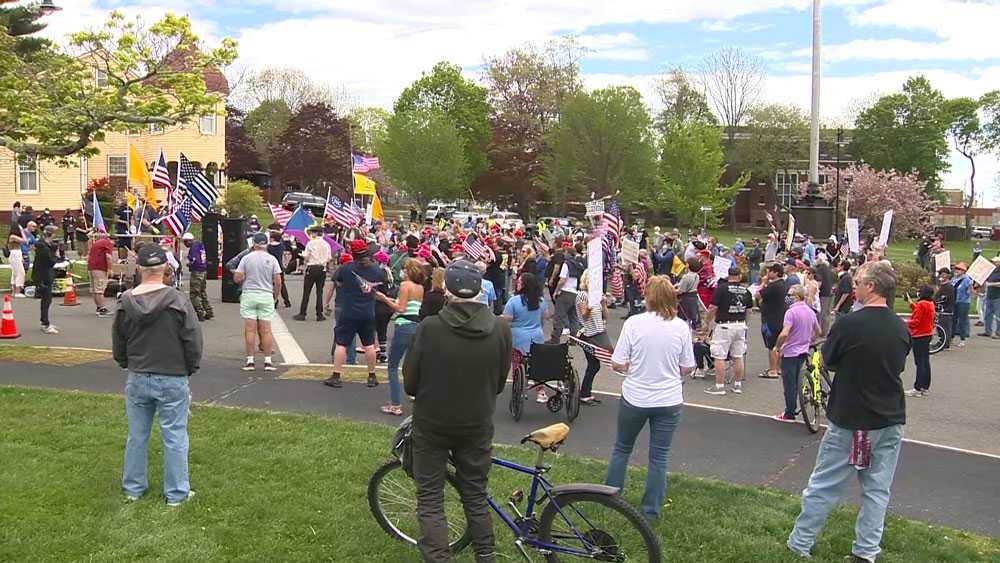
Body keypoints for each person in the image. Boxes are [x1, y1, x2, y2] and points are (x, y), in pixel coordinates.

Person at [787, 261, 909, 563]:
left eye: (858, 283)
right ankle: (866, 552)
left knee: (825, 484)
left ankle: (799, 544)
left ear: (871, 287)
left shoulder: (850, 324)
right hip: (890, 418)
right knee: (877, 489)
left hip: (853, 419)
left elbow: (827, 359)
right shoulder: (899, 326)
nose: (853, 288)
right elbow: (897, 364)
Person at [403, 259, 512, 563]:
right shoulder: (501, 328)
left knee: (430, 498)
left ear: (447, 289)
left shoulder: (430, 327)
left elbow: (411, 381)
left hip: (433, 422)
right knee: (475, 494)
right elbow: (500, 382)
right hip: (477, 421)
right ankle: (486, 556)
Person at [113, 244, 203, 506]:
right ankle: (176, 493)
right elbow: (193, 340)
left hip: (139, 373)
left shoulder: (125, 301)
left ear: (138, 268)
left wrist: (125, 362)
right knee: (175, 435)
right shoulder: (178, 300)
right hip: (172, 374)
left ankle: (133, 488)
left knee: (137, 434)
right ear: (165, 267)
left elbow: (119, 340)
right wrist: (190, 366)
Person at [606, 276, 694, 522]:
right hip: (668, 399)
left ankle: (610, 499)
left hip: (636, 396)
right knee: (659, 457)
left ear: (649, 298)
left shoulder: (634, 324)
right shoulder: (681, 327)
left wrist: (629, 366)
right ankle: (651, 511)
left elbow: (618, 362)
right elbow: (687, 366)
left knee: (622, 448)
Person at [324, 240, 383, 389]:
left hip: (349, 310)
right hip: (368, 311)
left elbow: (339, 282)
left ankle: (336, 375)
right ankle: (372, 375)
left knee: (342, 343)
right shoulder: (376, 270)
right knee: (369, 345)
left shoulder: (346, 269)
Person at [374, 259, 426, 416]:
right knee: (411, 364)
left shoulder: (405, 286)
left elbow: (401, 308)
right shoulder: (420, 288)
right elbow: (408, 305)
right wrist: (386, 298)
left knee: (392, 366)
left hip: (403, 326)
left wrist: (383, 300)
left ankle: (395, 404)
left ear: (408, 271)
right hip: (416, 326)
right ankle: (414, 393)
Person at [233, 233, 283, 372]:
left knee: (250, 330)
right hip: (266, 294)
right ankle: (267, 361)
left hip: (249, 293)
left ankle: (250, 361)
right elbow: (278, 281)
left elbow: (237, 278)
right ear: (266, 244)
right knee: (266, 330)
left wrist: (244, 277)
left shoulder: (246, 258)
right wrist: (275, 295)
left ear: (253, 243)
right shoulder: (272, 259)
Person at [771, 285, 821, 422]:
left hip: (790, 352)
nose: (787, 298)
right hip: (803, 351)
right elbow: (818, 331)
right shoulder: (810, 311)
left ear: (796, 297)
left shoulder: (790, 313)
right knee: (796, 379)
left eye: (789, 295)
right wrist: (808, 340)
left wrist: (777, 346)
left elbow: (785, 332)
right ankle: (795, 407)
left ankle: (789, 413)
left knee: (789, 385)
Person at [703, 267, 753, 396]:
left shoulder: (722, 289)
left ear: (728, 275)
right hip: (740, 324)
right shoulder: (746, 291)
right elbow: (749, 311)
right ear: (739, 276)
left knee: (719, 355)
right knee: (738, 355)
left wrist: (707, 322)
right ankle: (737, 385)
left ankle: (719, 386)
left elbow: (713, 307)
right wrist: (745, 323)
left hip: (725, 325)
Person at [501, 272, 549, 403]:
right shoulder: (540, 301)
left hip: (518, 338)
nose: (517, 283)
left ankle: (520, 389)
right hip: (537, 337)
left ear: (524, 285)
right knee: (537, 365)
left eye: (520, 282)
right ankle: (540, 391)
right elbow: (545, 316)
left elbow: (507, 318)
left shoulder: (514, 301)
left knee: (517, 364)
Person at [575, 271, 610, 405]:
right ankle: (584, 394)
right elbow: (584, 315)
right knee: (594, 364)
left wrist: (604, 304)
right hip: (587, 334)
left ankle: (586, 392)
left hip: (598, 333)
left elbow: (605, 317)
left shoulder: (596, 296)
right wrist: (590, 306)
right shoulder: (582, 295)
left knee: (595, 365)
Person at [757, 263, 788, 379]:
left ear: (775, 273)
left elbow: (758, 295)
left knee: (771, 346)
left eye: (769, 271)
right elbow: (788, 301)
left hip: (770, 319)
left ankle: (772, 370)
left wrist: (763, 283)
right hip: (782, 318)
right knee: (780, 345)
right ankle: (778, 368)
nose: (767, 274)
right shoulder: (785, 285)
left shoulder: (772, 286)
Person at [904, 286, 936, 398]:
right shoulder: (930, 303)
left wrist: (905, 322)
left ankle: (917, 387)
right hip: (927, 334)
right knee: (925, 361)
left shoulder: (922, 304)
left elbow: (916, 321)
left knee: (920, 363)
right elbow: (919, 312)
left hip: (919, 335)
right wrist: (910, 302)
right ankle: (925, 387)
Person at [294, 227, 331, 322]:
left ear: (315, 233)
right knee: (319, 292)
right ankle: (319, 314)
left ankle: (303, 313)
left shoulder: (311, 243)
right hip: (322, 268)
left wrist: (300, 253)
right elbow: (329, 257)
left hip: (312, 267)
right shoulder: (327, 244)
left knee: (307, 291)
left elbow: (306, 256)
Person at [549, 246, 582, 343]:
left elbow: (562, 280)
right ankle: (573, 339)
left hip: (566, 292)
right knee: (573, 318)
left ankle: (555, 339)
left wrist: (556, 291)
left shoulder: (566, 264)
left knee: (559, 316)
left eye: (565, 252)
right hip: (576, 292)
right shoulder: (578, 264)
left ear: (568, 253)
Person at [33, 226, 59, 334]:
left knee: (46, 300)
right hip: (44, 277)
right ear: (51, 235)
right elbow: (50, 261)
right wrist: (56, 254)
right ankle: (45, 324)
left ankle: (44, 321)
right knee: (46, 300)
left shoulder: (43, 245)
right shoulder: (43, 248)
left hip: (43, 275)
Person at [182, 232, 213, 321]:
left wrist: (189, 264)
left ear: (188, 241)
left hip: (197, 272)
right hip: (203, 271)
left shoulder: (193, 248)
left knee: (194, 294)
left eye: (185, 242)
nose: (185, 244)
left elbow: (195, 260)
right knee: (202, 292)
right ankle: (208, 311)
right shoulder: (199, 245)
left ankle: (199, 312)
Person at [87, 231, 116, 317]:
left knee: (95, 289)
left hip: (92, 267)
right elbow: (108, 257)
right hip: (100, 268)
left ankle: (99, 307)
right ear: (113, 240)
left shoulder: (97, 243)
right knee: (100, 289)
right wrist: (110, 269)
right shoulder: (108, 243)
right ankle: (102, 309)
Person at [267, 231, 293, 309]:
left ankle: (274, 300)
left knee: (271, 285)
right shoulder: (281, 246)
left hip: (270, 266)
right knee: (282, 284)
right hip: (279, 266)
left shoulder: (268, 247)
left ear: (272, 238)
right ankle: (287, 301)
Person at [951, 262, 972, 347]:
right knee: (953, 320)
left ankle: (962, 339)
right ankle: (951, 337)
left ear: (963, 271)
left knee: (962, 321)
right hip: (954, 301)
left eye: (959, 269)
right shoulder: (953, 279)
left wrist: (970, 288)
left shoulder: (967, 279)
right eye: (956, 268)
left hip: (963, 302)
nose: (956, 270)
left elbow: (969, 292)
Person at [979, 255, 1000, 339]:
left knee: (998, 315)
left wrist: (991, 284)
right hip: (989, 296)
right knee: (988, 314)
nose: (993, 263)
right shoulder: (992, 272)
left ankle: (998, 333)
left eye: (995, 262)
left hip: (998, 297)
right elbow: (986, 281)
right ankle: (988, 331)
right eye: (993, 262)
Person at [676, 258, 701, 328]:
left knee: (684, 318)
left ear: (689, 265)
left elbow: (681, 291)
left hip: (685, 300)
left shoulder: (686, 277)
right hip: (693, 298)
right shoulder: (697, 275)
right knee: (692, 316)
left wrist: (670, 290)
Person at [935, 268, 956, 349]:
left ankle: (945, 343)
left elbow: (944, 299)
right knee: (940, 328)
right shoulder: (942, 286)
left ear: (948, 275)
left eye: (944, 274)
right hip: (941, 310)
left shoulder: (949, 287)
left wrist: (936, 303)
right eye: (941, 274)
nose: (942, 276)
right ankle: (942, 341)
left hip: (946, 310)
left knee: (945, 328)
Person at [7, 228, 27, 297]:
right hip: (15, 254)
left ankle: (14, 291)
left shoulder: (14, 237)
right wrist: (22, 231)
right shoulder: (13, 236)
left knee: (15, 273)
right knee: (20, 272)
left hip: (17, 253)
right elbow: (25, 240)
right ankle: (17, 292)